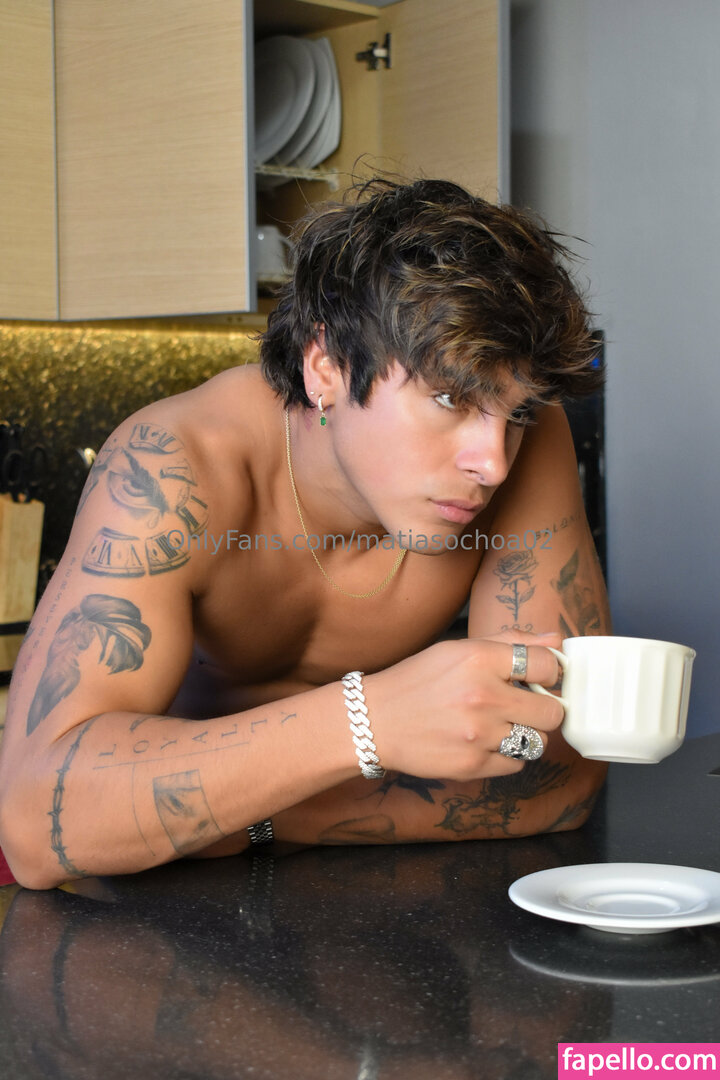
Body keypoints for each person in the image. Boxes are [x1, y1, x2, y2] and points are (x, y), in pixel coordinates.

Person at [0, 178, 610, 889]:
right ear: (326, 367)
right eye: (450, 397)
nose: (493, 462)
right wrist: (371, 722)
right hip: (139, 903)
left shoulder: (522, 444)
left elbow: (559, 775)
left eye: (518, 412)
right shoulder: (175, 465)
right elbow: (36, 820)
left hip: (319, 887)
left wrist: (243, 818)